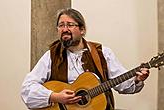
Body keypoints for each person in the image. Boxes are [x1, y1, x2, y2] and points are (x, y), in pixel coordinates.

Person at [21, 8, 150, 110]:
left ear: (82, 30)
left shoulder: (102, 53)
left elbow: (123, 84)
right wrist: (55, 97)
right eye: (61, 25)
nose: (64, 29)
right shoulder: (51, 55)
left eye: (70, 25)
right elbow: (27, 88)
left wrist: (137, 79)